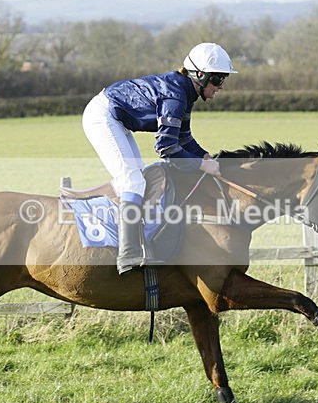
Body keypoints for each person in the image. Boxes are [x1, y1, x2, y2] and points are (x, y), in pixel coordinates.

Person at [82, 42, 237, 274]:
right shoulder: (176, 96)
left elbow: (184, 138)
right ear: (200, 75)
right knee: (132, 182)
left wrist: (205, 156)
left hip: (117, 119)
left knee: (139, 179)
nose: (221, 86)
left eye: (223, 79)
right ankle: (128, 255)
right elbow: (166, 148)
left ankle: (135, 239)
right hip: (103, 116)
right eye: (217, 79)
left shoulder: (185, 93)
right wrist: (202, 165)